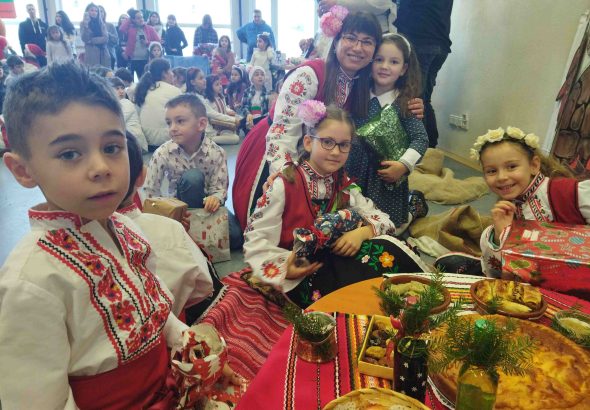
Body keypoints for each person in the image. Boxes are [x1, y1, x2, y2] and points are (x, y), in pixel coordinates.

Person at [0, 62, 240, 408]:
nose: (101, 168)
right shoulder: (30, 282)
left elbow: (156, 314)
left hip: (168, 389)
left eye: (112, 147)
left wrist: (200, 356)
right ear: (23, 170)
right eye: (70, 153)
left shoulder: (127, 230)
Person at [233, 11, 422, 228]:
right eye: (351, 38)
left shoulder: (362, 83)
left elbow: (390, 91)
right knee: (273, 227)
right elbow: (282, 133)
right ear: (336, 39)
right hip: (274, 149)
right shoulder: (308, 75)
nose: (358, 47)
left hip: (318, 159)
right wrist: (285, 177)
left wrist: (411, 103)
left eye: (367, 42)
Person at [244, 102, 427, 307]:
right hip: (296, 275)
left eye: (344, 145)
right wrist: (285, 266)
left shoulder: (342, 182)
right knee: (365, 281)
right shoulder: (284, 185)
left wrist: (362, 233)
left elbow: (383, 220)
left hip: (329, 259)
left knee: (387, 248)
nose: (336, 152)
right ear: (308, 142)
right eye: (327, 142)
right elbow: (256, 241)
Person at [119, 132, 214, 317]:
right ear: (142, 176)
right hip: (171, 321)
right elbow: (203, 285)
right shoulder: (169, 228)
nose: (173, 129)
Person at [346, 33, 429, 232]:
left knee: (387, 226)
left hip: (383, 178)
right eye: (379, 59)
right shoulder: (357, 93)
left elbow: (421, 138)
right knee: (352, 216)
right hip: (354, 169)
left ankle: (414, 205)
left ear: (404, 69)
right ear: (370, 62)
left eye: (393, 62)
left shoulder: (404, 103)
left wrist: (403, 165)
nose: (385, 66)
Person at [143, 94, 244, 249]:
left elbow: (220, 188)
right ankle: (190, 232)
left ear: (201, 124)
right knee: (193, 177)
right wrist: (166, 213)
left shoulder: (216, 152)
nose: (172, 128)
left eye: (180, 121)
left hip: (207, 208)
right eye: (169, 123)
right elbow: (150, 191)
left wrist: (215, 198)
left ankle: (193, 233)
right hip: (179, 210)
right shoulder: (163, 153)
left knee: (237, 237)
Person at [396, 0, 454, 147]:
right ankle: (430, 149)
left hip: (421, 41)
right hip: (440, 43)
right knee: (423, 100)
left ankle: (423, 149)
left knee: (415, 101)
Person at [187, 68, 240, 145]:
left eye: (204, 77)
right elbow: (212, 113)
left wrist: (230, 114)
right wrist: (233, 119)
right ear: (192, 82)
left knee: (232, 132)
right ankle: (207, 140)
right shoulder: (196, 98)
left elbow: (221, 109)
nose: (204, 80)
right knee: (235, 138)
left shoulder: (199, 96)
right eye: (201, 78)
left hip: (211, 129)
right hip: (206, 132)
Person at [135, 58, 181, 148]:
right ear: (164, 73)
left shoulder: (143, 89)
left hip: (146, 140)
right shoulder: (174, 91)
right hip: (166, 141)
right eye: (170, 70)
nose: (172, 74)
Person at [119, 9, 160, 80]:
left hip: (145, 60)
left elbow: (158, 43)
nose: (141, 19)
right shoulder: (130, 28)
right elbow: (121, 29)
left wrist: (147, 42)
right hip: (132, 59)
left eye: (142, 17)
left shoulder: (150, 28)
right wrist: (130, 17)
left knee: (143, 80)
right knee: (129, 80)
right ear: (133, 20)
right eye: (138, 18)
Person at [109, 77, 148, 151]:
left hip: (135, 142)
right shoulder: (115, 104)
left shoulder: (126, 102)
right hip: (129, 141)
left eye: (122, 88)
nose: (121, 91)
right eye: (117, 88)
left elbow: (117, 121)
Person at [204, 74, 240, 144]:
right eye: (217, 84)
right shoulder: (207, 100)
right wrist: (232, 119)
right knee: (236, 138)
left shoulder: (221, 97)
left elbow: (224, 107)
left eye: (220, 84)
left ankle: (222, 136)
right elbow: (215, 115)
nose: (220, 86)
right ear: (209, 87)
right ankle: (210, 139)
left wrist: (230, 111)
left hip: (222, 124)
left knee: (234, 131)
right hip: (213, 130)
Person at [80, 3, 110, 68]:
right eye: (92, 10)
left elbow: (106, 38)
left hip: (103, 53)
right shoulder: (83, 24)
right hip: (91, 54)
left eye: (96, 11)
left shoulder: (101, 23)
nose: (94, 12)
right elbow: (85, 39)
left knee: (106, 72)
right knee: (93, 72)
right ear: (87, 12)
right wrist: (86, 25)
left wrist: (92, 40)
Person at [240, 66, 270, 130]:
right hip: (249, 120)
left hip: (262, 121)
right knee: (243, 123)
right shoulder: (247, 91)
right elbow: (244, 106)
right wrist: (248, 114)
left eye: (262, 74)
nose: (260, 77)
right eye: (256, 75)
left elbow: (269, 110)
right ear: (252, 79)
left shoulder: (268, 93)